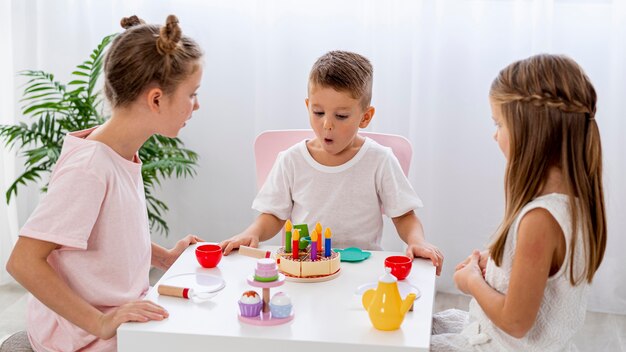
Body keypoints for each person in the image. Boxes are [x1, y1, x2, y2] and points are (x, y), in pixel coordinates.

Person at [4, 15, 204, 352]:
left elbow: (109, 237)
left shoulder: (119, 153)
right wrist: (100, 322)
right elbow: (23, 262)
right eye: (192, 94)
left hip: (112, 322)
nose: (196, 105)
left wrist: (165, 258)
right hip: (81, 337)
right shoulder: (91, 167)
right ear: (156, 99)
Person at [431, 54, 607, 351]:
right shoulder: (573, 204)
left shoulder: (539, 219)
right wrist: (497, 267)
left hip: (504, 345)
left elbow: (515, 322)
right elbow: (543, 283)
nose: (494, 134)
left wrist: (472, 281)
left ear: (530, 131)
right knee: (426, 324)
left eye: (499, 123)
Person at [220, 50, 443, 274]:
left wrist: (417, 241)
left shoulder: (380, 159)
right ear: (308, 106)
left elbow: (404, 215)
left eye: (341, 116)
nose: (327, 124)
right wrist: (253, 233)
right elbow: (273, 215)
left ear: (365, 117)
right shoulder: (291, 160)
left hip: (361, 269)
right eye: (318, 112)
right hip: (305, 269)